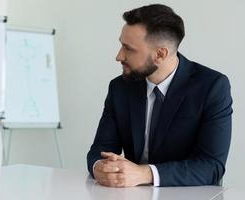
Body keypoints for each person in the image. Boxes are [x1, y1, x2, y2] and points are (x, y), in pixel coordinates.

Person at [86, 4, 232, 187]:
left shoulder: (212, 87)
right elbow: (100, 150)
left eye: (128, 49)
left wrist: (145, 173)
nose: (119, 56)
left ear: (160, 54)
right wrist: (98, 166)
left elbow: (212, 166)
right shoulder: (120, 87)